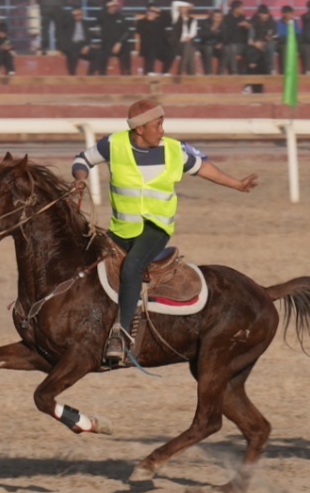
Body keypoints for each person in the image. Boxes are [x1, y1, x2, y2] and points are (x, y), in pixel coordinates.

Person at [71, 97, 258, 366]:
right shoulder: (113, 144)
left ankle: (120, 338)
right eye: (158, 124)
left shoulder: (175, 150)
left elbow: (203, 168)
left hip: (156, 229)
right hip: (122, 228)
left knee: (132, 267)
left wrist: (237, 184)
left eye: (162, 123)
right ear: (140, 129)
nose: (163, 130)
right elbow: (83, 160)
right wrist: (80, 179)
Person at [91, 0, 129, 76]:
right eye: (112, 6)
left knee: (126, 50)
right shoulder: (102, 16)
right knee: (102, 52)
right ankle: (102, 73)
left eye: (115, 6)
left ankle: (127, 72)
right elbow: (96, 22)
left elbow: (126, 31)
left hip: (119, 43)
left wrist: (119, 43)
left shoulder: (120, 16)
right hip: (107, 43)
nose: (114, 8)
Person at [60, 6, 88, 76]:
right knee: (73, 54)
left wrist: (87, 46)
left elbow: (89, 36)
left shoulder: (85, 23)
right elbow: (62, 24)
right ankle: (72, 75)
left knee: (97, 53)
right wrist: (71, 15)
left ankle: (91, 75)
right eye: (77, 14)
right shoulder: (69, 22)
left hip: (83, 44)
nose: (79, 16)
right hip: (72, 44)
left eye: (80, 14)